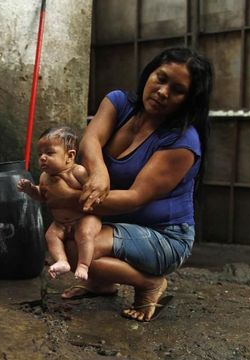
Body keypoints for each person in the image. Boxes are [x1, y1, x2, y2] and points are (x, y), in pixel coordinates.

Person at [54, 47, 213, 321]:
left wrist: (64, 198)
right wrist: (100, 172)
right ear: (148, 73)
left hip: (166, 236)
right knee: (70, 237)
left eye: (177, 90)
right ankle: (101, 283)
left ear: (188, 100)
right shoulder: (119, 103)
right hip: (116, 223)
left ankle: (150, 283)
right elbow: (90, 141)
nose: (163, 92)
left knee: (75, 246)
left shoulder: (182, 142)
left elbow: (135, 197)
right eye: (160, 78)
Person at [17, 126, 102, 280]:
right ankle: (62, 261)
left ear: (69, 156)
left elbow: (91, 189)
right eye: (40, 154)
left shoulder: (78, 172)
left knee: (85, 233)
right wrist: (30, 189)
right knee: (50, 235)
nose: (42, 157)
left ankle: (83, 264)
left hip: (83, 218)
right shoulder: (44, 177)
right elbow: (42, 196)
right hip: (60, 223)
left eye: (49, 153)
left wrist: (93, 195)